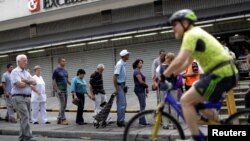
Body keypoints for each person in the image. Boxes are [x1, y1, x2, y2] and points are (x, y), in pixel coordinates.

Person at [163, 9, 238, 141]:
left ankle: (196, 138)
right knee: (199, 104)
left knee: (185, 100)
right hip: (224, 74)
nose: (172, 29)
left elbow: (179, 60)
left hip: (220, 75)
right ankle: (223, 126)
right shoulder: (196, 34)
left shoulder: (190, 35)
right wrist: (174, 73)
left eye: (174, 25)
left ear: (185, 23)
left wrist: (164, 74)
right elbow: (187, 62)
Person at [11, 54, 37, 141]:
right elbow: (19, 85)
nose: (26, 62)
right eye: (24, 60)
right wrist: (29, 83)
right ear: (18, 62)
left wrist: (25, 80)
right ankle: (28, 137)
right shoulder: (15, 72)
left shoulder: (26, 72)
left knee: (25, 118)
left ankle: (22, 137)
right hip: (18, 98)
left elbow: (35, 82)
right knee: (25, 116)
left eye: (26, 60)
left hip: (27, 97)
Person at [156, 52, 177, 129]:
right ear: (172, 59)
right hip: (173, 88)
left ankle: (165, 124)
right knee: (174, 106)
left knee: (164, 106)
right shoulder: (174, 67)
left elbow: (159, 78)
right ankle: (175, 124)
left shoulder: (159, 67)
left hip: (163, 88)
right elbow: (177, 76)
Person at [113, 49, 130, 127]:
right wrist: (116, 89)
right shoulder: (119, 64)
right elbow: (114, 77)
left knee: (123, 104)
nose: (128, 56)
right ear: (123, 56)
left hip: (122, 86)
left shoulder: (123, 64)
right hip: (120, 86)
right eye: (127, 55)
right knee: (121, 104)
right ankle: (120, 121)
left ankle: (121, 120)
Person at [52, 57, 71, 125]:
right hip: (59, 91)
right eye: (63, 61)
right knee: (62, 105)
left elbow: (67, 80)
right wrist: (57, 90)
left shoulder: (65, 70)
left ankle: (59, 119)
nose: (65, 62)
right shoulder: (56, 70)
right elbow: (53, 81)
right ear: (59, 62)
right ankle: (63, 119)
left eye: (65, 61)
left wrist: (73, 84)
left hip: (65, 90)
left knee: (64, 105)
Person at [132, 59, 148, 125]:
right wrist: (147, 86)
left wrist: (146, 88)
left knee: (143, 105)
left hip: (141, 89)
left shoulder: (139, 71)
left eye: (142, 63)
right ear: (137, 64)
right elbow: (141, 82)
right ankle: (142, 121)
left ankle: (142, 121)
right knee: (143, 105)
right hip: (139, 90)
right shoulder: (136, 72)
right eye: (140, 63)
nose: (141, 64)